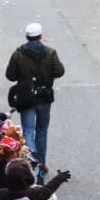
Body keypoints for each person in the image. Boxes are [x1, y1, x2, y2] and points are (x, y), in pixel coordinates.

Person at [5, 23, 66, 178]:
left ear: (27, 37)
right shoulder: (50, 52)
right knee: (42, 130)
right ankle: (42, 163)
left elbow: (10, 75)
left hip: (26, 97)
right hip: (44, 96)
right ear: (40, 36)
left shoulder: (18, 53)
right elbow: (59, 71)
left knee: (28, 131)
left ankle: (32, 160)